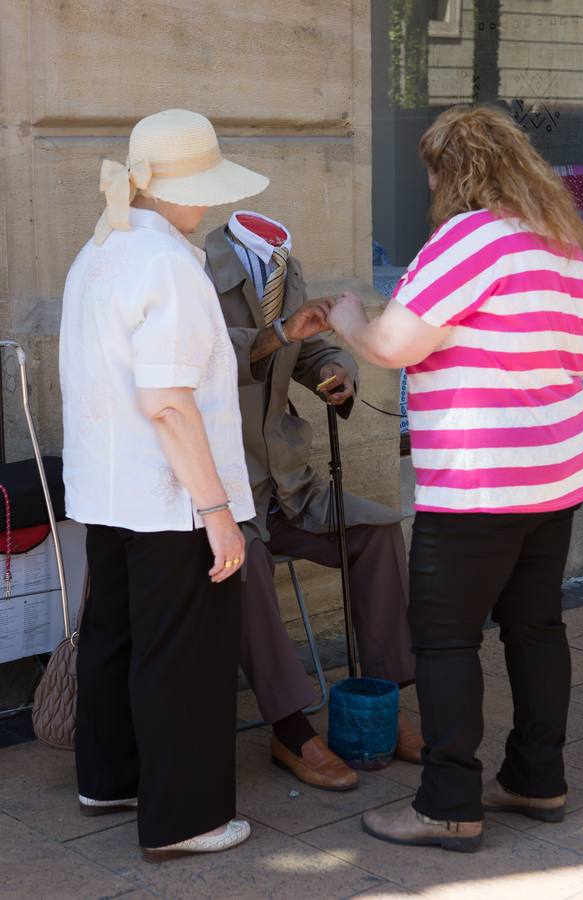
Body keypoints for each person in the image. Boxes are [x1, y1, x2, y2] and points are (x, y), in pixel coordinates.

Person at [327, 104, 583, 852]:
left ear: (452, 172)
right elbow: (582, 363)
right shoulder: (567, 245)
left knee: (444, 639)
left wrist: (350, 319)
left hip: (481, 479)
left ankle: (447, 802)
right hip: (558, 470)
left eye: (430, 171)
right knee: (535, 626)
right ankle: (536, 779)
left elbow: (391, 343)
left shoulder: (469, 238)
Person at [59, 109, 270, 862]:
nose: (207, 203)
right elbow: (170, 401)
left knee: (115, 635)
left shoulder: (101, 249)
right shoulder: (168, 264)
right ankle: (185, 818)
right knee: (182, 655)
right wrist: (216, 510)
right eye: (202, 187)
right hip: (168, 490)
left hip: (107, 487)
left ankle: (108, 778)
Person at [203, 210, 423, 790]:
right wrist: (281, 333)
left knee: (375, 529)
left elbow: (308, 350)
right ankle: (290, 727)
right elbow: (210, 356)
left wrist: (335, 369)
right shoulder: (196, 270)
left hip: (287, 483)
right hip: (225, 490)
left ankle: (385, 698)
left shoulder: (284, 267)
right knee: (243, 566)